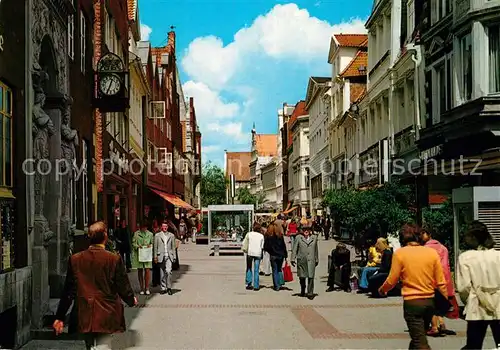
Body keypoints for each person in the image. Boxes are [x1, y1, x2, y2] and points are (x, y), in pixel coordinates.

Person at [53, 221, 137, 350]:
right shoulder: (113, 259)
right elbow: (122, 284)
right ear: (105, 236)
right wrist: (131, 299)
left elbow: (69, 291)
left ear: (89, 237)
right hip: (106, 312)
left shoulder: (76, 259)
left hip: (84, 311)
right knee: (103, 345)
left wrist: (60, 317)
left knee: (90, 345)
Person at [379, 224, 448, 350]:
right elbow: (441, 282)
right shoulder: (432, 253)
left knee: (420, 342)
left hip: (412, 303)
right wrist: (444, 302)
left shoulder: (400, 254)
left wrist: (383, 289)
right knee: (417, 337)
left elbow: (392, 279)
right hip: (430, 302)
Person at [457, 221, 500, 349]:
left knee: (474, 344)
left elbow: (463, 287)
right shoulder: (498, 256)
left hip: (476, 303)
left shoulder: (465, 257)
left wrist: (467, 302)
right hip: (498, 302)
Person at [420, 227, 458, 336]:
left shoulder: (425, 249)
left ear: (429, 234)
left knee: (433, 305)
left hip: (431, 279)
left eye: (423, 233)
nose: (421, 236)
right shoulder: (443, 248)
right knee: (440, 303)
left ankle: (435, 327)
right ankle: (442, 324)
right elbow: (446, 266)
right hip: (444, 280)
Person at [291, 220, 319, 300]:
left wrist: (317, 259)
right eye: (304, 229)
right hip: (302, 260)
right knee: (302, 277)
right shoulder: (298, 238)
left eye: (308, 229)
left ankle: (310, 293)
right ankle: (303, 289)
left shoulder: (314, 238)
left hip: (311, 260)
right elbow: (294, 249)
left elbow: (316, 250)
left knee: (311, 277)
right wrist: (293, 259)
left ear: (310, 230)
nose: (306, 231)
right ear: (302, 231)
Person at [154, 222, 177, 295]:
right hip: (160, 256)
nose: (165, 228)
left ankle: (169, 287)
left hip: (169, 256)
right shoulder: (157, 235)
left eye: (166, 226)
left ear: (168, 227)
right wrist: (155, 256)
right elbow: (155, 247)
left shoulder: (171, 235)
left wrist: (174, 256)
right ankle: (163, 288)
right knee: (162, 273)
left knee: (168, 271)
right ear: (161, 227)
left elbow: (173, 247)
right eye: (163, 226)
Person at [264, 222, 288, 291]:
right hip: (281, 255)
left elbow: (266, 247)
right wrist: (285, 255)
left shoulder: (269, 237)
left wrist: (270, 251)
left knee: (274, 270)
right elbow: (284, 246)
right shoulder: (280, 236)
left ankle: (276, 286)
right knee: (279, 269)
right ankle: (280, 283)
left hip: (273, 255)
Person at [132, 222, 154, 295]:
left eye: (145, 228)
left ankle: (147, 288)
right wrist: (138, 246)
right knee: (140, 270)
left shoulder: (150, 234)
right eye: (142, 228)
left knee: (147, 271)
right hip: (139, 254)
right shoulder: (136, 234)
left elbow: (152, 243)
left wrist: (150, 246)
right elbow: (133, 243)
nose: (143, 229)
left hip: (147, 254)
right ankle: (141, 287)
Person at [242, 222, 265, 291]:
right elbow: (262, 246)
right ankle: (256, 285)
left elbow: (244, 243)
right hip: (258, 253)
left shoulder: (249, 234)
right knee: (256, 269)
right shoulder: (261, 236)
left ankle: (249, 283)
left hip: (250, 252)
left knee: (249, 268)